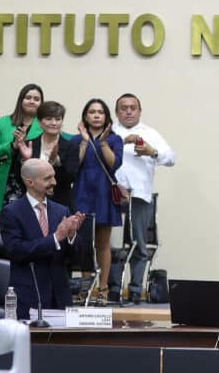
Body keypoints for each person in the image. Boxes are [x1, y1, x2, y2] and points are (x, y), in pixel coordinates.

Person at [108, 93, 176, 305]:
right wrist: (120, 142)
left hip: (140, 196)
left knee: (139, 245)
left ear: (139, 111)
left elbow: (171, 158)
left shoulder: (150, 133)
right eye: (124, 108)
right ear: (117, 111)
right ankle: (113, 290)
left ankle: (136, 291)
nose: (128, 111)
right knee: (113, 246)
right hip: (112, 196)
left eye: (133, 107)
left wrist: (151, 151)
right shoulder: (109, 132)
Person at [0, 159, 85, 319]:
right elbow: (17, 251)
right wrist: (56, 237)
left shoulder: (62, 210)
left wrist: (72, 236)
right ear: (29, 182)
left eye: (53, 176)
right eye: (47, 178)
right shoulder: (11, 213)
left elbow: (76, 259)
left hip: (60, 297)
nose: (54, 182)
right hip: (29, 297)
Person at [73, 98, 123, 298]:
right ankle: (85, 289)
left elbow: (114, 165)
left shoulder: (115, 139)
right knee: (83, 244)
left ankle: (103, 288)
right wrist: (85, 140)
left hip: (104, 194)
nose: (96, 115)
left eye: (100, 112)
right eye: (92, 112)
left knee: (102, 244)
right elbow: (74, 165)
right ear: (85, 116)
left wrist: (102, 143)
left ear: (106, 117)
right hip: (82, 192)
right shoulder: (76, 140)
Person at [12, 101, 78, 209]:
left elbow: (69, 179)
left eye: (58, 119)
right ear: (39, 122)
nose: (54, 123)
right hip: (32, 204)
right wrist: (25, 160)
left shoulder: (71, 146)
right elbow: (19, 179)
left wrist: (58, 163)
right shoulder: (30, 144)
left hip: (60, 204)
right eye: (48, 118)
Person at [0, 84, 44, 213]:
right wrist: (12, 146)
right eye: (28, 97)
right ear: (21, 100)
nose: (32, 101)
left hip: (33, 183)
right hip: (6, 181)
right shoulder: (3, 122)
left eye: (36, 99)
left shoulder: (44, 125)